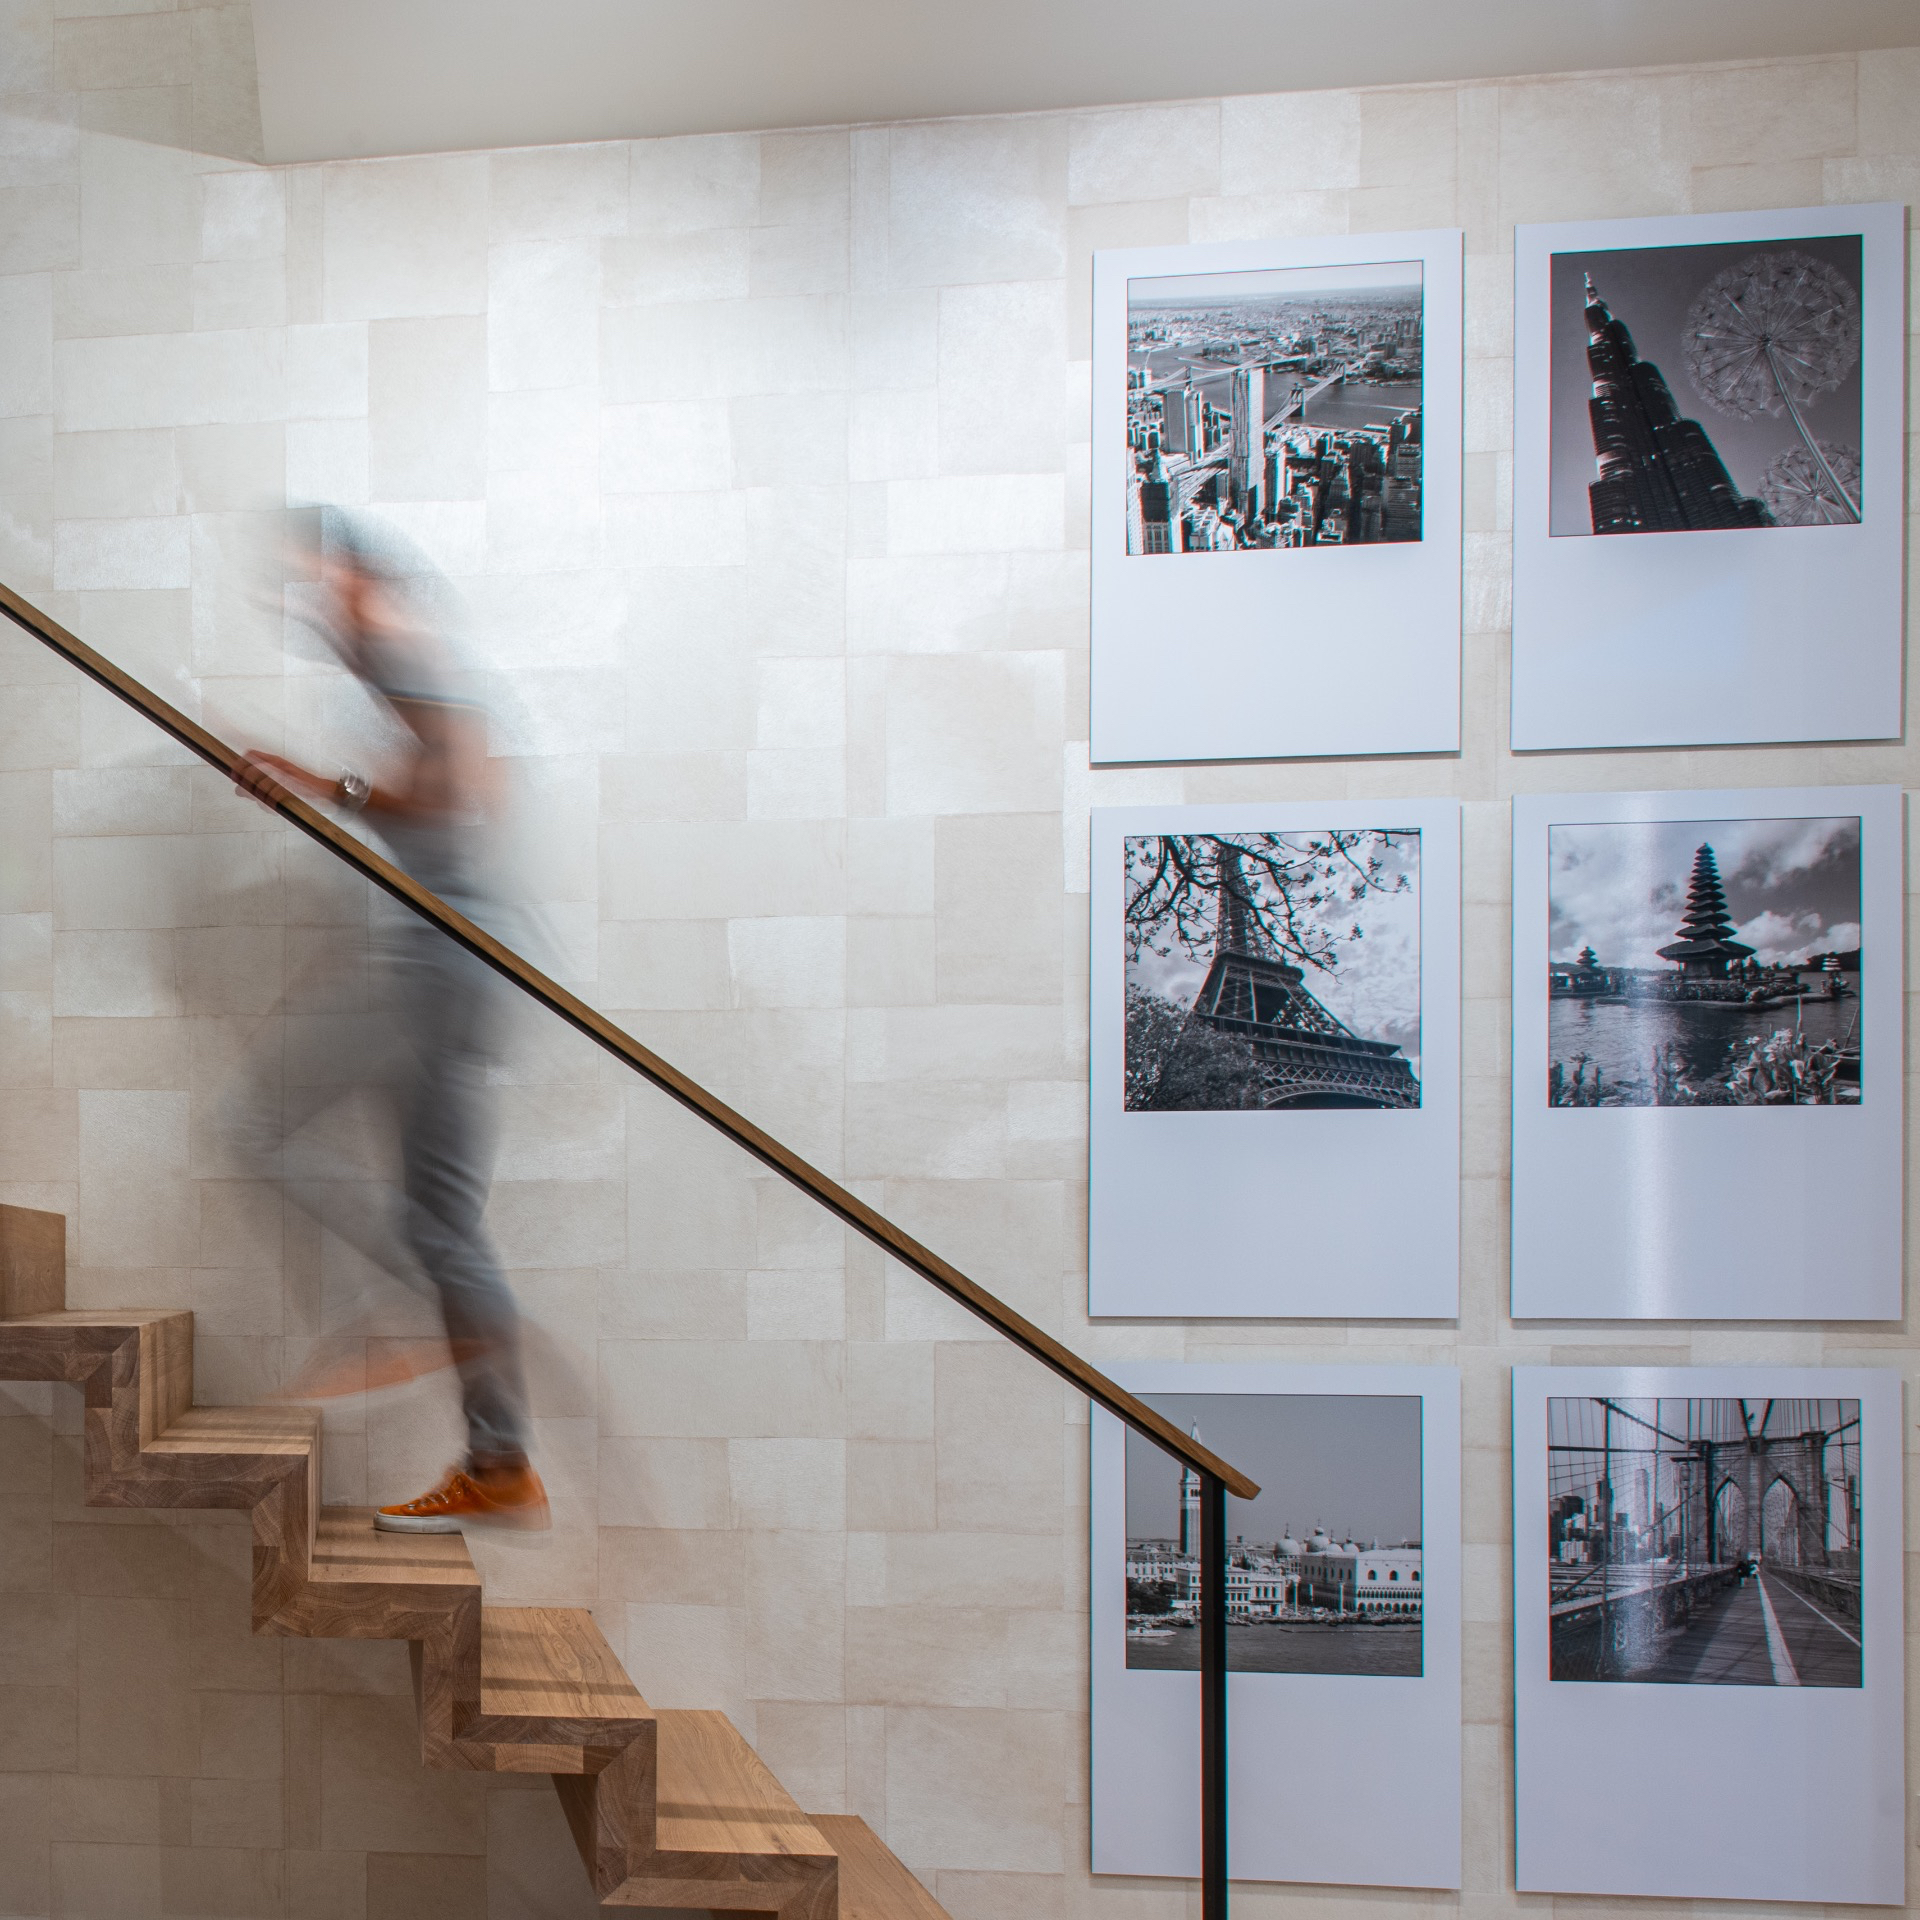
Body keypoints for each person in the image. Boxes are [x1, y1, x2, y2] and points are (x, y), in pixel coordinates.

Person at [233, 509, 547, 1533]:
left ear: (366, 576)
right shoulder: (410, 668)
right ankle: (501, 1463)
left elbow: (455, 786)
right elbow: (466, 783)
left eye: (324, 580)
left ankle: (382, 1319)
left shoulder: (407, 651)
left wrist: (321, 783)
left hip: (435, 963)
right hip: (466, 965)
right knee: (442, 1225)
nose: (312, 602)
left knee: (254, 1125)